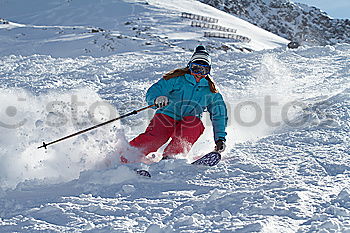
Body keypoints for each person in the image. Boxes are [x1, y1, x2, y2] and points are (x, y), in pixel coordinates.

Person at [121, 45, 228, 163]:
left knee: (193, 125)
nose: (199, 73)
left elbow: (219, 115)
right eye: (195, 68)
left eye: (204, 70)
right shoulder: (177, 79)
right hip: (167, 115)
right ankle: (127, 156)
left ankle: (172, 157)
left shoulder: (211, 91)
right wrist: (157, 99)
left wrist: (220, 139)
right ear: (189, 67)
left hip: (190, 120)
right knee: (157, 137)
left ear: (208, 71)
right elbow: (154, 90)